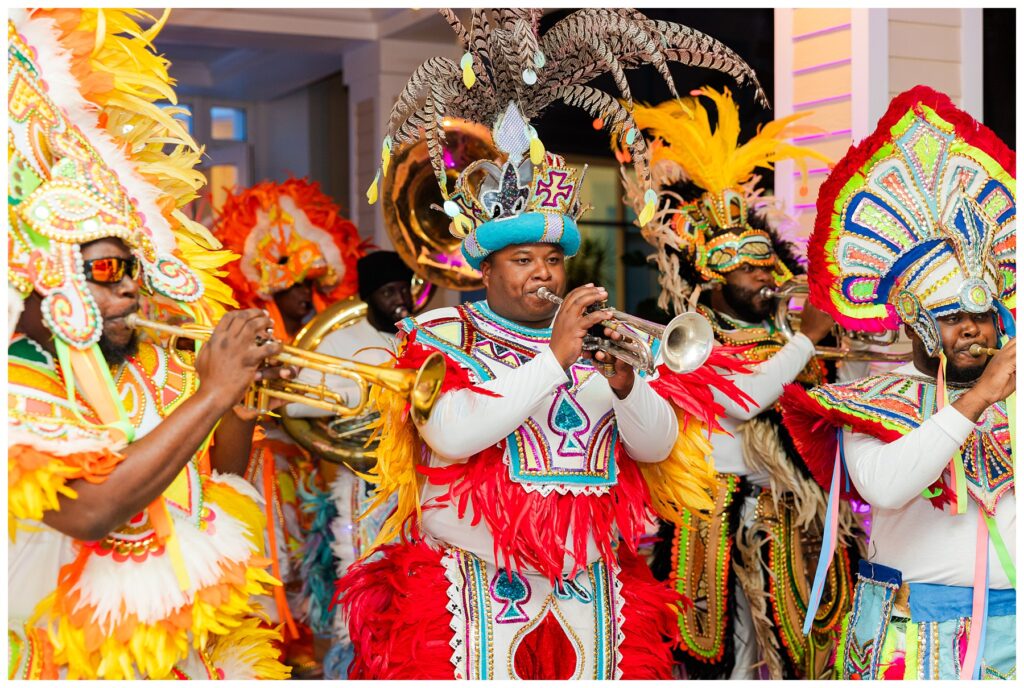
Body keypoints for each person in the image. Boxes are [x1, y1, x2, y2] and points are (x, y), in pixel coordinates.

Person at [332, 9, 776, 678]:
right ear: (486, 271)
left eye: (552, 259)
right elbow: (452, 435)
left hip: (591, 585)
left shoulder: (607, 338)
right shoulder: (446, 333)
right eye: (523, 261)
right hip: (471, 587)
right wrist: (554, 358)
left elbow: (654, 447)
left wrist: (626, 383)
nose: (543, 273)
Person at [7, 9, 288, 679]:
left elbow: (222, 476)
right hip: (66, 653)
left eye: (132, 268)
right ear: (47, 278)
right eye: (106, 271)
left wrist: (240, 401)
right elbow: (92, 509)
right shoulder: (18, 381)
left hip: (185, 643)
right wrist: (214, 390)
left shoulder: (158, 361)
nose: (130, 289)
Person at [622, 87, 864, 679]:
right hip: (711, 515)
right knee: (713, 654)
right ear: (713, 277)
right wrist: (806, 340)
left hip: (793, 517)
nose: (763, 279)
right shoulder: (693, 332)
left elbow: (837, 404)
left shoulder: (787, 336)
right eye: (747, 270)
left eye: (766, 266)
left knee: (803, 653)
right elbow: (740, 398)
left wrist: (830, 348)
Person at [779, 86, 1016, 680]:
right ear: (916, 325)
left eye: (982, 317)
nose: (973, 330)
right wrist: (976, 399)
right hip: (909, 634)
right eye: (954, 319)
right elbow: (885, 486)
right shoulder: (868, 399)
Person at [211, 176, 366, 675]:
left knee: (311, 577)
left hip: (307, 471)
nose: (306, 295)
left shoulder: (321, 335)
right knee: (269, 578)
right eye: (293, 287)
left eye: (311, 286)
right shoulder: (255, 334)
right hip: (263, 472)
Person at [284, 250, 416, 678]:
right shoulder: (340, 341)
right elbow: (295, 405)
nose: (400, 299)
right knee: (365, 574)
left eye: (404, 288)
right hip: (364, 481)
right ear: (368, 296)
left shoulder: (421, 334)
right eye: (387, 292)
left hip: (420, 476)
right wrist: (360, 393)